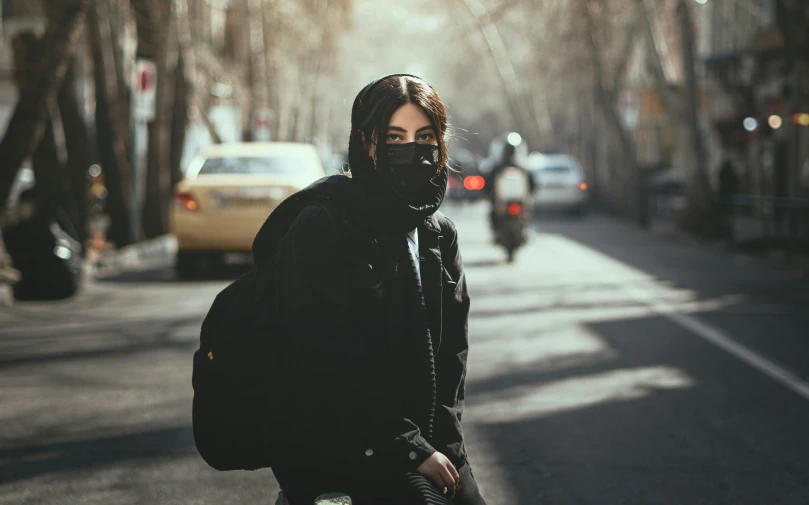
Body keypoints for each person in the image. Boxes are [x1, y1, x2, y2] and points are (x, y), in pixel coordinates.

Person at [265, 74, 488, 505]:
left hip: (428, 448)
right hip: (339, 449)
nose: (412, 149)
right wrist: (410, 447)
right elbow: (326, 355)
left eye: (425, 137)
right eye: (394, 136)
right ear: (367, 142)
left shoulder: (439, 235)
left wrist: (448, 450)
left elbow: (451, 357)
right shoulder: (322, 224)